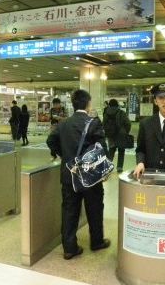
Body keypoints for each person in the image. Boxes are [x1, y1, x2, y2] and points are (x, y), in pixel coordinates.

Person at [46, 89, 110, 260]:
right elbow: (103, 149)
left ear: (73, 104)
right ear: (88, 104)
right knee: (94, 209)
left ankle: (69, 248)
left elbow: (50, 141)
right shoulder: (94, 122)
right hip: (91, 177)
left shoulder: (63, 124)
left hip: (69, 175)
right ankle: (97, 242)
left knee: (69, 211)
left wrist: (66, 157)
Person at [103, 99, 131, 173]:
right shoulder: (121, 112)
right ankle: (119, 167)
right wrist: (125, 131)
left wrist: (107, 133)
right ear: (117, 105)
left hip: (110, 136)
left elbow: (104, 124)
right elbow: (128, 123)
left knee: (111, 150)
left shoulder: (106, 113)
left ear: (109, 105)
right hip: (121, 135)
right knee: (121, 150)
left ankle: (108, 166)